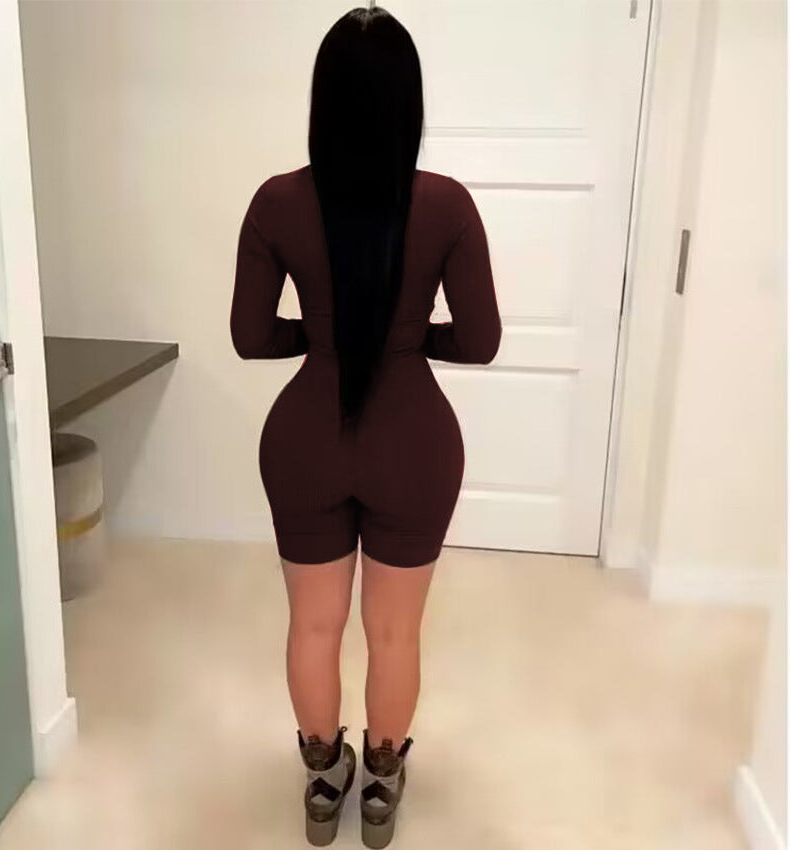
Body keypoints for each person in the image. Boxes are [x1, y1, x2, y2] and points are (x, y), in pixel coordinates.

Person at [230, 6, 500, 847]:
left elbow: (249, 337)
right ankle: (380, 789)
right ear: (408, 102)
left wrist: (326, 337)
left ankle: (323, 782)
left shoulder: (276, 202)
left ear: (323, 99)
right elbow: (482, 340)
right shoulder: (447, 205)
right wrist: (406, 339)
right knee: (394, 630)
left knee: (312, 626)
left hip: (304, 440)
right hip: (413, 442)